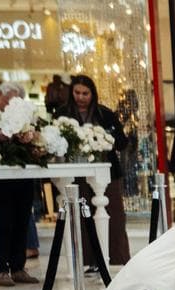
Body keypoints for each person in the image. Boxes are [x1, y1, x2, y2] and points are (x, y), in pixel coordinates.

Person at [61, 75, 131, 268]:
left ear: (93, 94)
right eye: (77, 93)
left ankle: (117, 260)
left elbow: (122, 142)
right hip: (76, 174)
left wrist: (105, 138)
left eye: (85, 93)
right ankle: (87, 262)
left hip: (107, 174)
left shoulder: (104, 114)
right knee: (83, 217)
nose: (81, 97)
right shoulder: (63, 115)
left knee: (113, 215)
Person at [0, 82, 40, 287]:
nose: (11, 106)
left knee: (23, 220)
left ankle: (18, 267)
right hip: (1, 179)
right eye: (9, 101)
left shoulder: (25, 116)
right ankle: (1, 270)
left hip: (23, 176)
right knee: (5, 222)